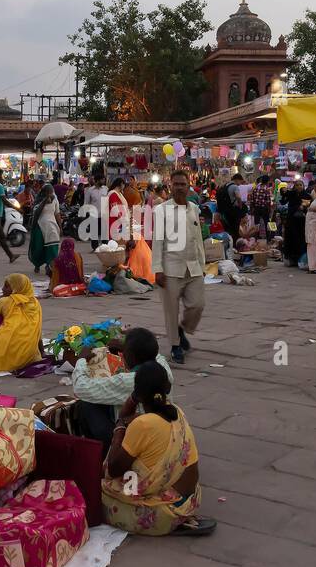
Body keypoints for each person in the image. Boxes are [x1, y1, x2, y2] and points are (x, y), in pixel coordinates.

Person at [100, 361, 214, 536]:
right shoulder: (177, 412)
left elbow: (113, 469)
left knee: (101, 488)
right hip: (191, 502)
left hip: (163, 513)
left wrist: (120, 427)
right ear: (167, 388)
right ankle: (181, 518)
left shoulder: (143, 424)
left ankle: (168, 521)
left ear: (138, 395)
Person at [72, 327, 173, 452]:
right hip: (159, 431)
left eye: (125, 352)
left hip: (136, 442)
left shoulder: (130, 381)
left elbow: (81, 388)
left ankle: (102, 456)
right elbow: (154, 354)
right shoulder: (163, 369)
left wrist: (81, 360)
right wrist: (129, 346)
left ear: (130, 356)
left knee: (85, 405)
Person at [152, 170, 207, 365]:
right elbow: (157, 241)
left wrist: (202, 264)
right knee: (171, 310)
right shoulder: (161, 210)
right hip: (170, 268)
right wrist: (157, 269)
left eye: (183, 184)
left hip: (193, 267)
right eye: (176, 184)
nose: (180, 188)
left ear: (188, 186)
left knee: (197, 305)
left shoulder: (193, 208)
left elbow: (198, 238)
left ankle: (183, 328)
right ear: (170, 186)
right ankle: (175, 346)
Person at [0, 272, 42, 372]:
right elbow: (37, 332)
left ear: (16, 288)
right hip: (28, 355)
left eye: (6, 286)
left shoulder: (5, 301)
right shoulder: (36, 303)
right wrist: (41, 353)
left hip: (2, 350)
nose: (2, 289)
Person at [28, 183, 61, 273]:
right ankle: (37, 264)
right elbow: (36, 213)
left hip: (52, 225)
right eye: (49, 193)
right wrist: (44, 202)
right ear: (44, 193)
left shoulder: (55, 200)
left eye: (52, 192)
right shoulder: (39, 200)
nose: (51, 194)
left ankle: (49, 265)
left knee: (52, 246)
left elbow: (57, 213)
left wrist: (60, 226)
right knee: (39, 248)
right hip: (40, 226)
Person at [281, 180, 308, 267]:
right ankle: (291, 259)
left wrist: (303, 207)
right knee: (291, 239)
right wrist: (283, 190)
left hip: (301, 222)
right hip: (291, 221)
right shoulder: (291, 194)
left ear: (303, 186)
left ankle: (300, 259)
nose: (299, 187)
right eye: (297, 185)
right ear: (294, 186)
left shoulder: (306, 195)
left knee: (301, 239)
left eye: (300, 185)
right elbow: (283, 199)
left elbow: (308, 207)